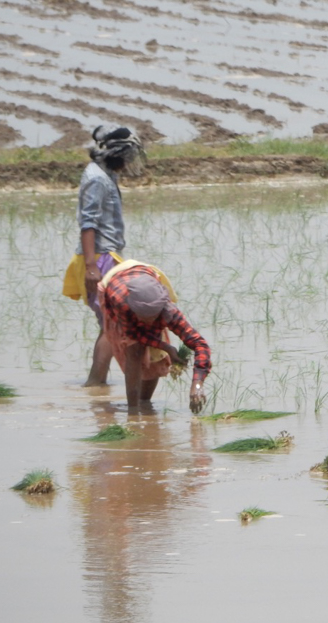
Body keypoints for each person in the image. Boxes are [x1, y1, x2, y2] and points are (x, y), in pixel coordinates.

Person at [62, 125, 146, 386]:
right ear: (115, 154)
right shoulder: (97, 179)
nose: (129, 162)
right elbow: (88, 223)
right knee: (113, 324)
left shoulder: (105, 174)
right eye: (127, 156)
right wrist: (91, 267)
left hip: (105, 256)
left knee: (110, 323)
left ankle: (98, 384)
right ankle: (95, 383)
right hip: (99, 259)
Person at [97, 259, 210, 413]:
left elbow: (200, 344)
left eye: (152, 317)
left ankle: (145, 403)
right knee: (134, 350)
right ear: (134, 309)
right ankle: (133, 410)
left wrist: (197, 384)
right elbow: (135, 335)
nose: (148, 322)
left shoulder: (168, 311)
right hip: (113, 283)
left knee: (155, 356)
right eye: (143, 317)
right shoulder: (122, 304)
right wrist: (166, 347)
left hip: (145, 277)